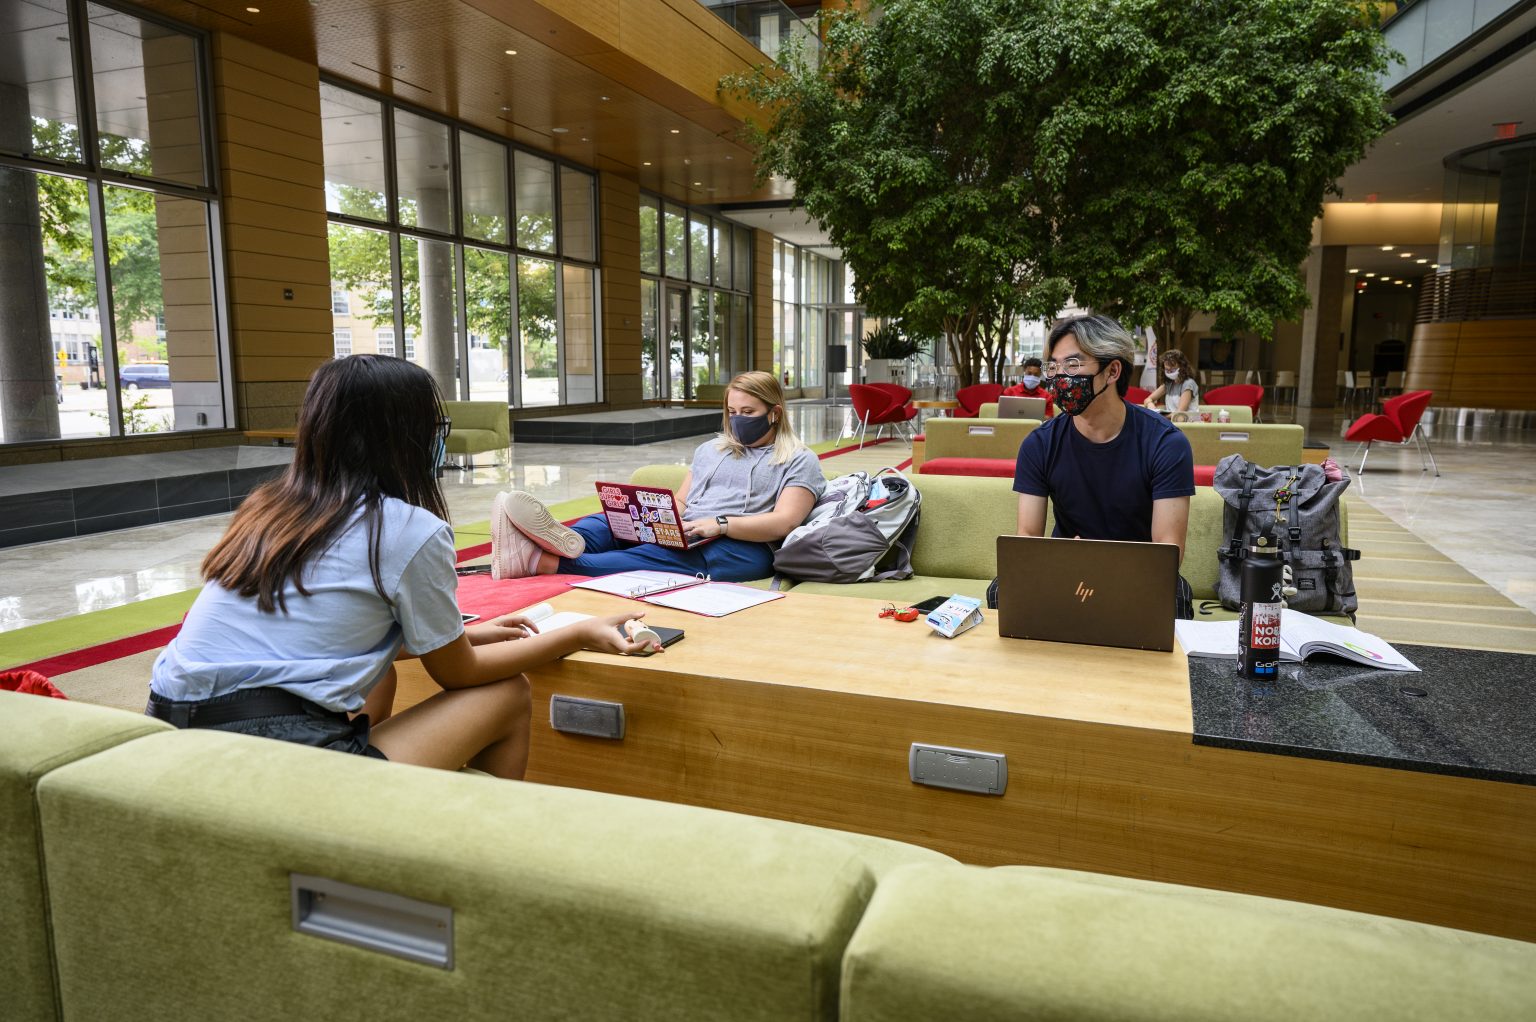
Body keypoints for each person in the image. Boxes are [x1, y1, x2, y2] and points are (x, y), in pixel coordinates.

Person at [146, 355, 652, 779]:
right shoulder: (407, 528)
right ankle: (481, 851)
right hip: (275, 747)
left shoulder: (270, 506)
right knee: (504, 692)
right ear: (403, 436)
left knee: (380, 674)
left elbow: (321, 636)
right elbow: (461, 676)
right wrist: (578, 633)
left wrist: (468, 633)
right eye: (435, 427)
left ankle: (379, 802)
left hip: (170, 726)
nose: (438, 439)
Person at [492, 371, 825, 582]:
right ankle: (555, 540)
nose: (738, 421)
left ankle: (544, 561)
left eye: (748, 413)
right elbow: (683, 499)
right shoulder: (712, 450)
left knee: (656, 557)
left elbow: (785, 522)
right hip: (691, 530)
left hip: (741, 546)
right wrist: (663, 515)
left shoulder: (799, 459)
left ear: (775, 413)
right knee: (607, 522)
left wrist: (720, 524)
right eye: (733, 412)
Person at [1011, 315, 1196, 615]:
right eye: (1054, 367)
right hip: (1065, 569)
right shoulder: (1040, 444)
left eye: (1073, 365)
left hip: (1139, 573)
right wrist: (1064, 564)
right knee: (1002, 589)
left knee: (1175, 596)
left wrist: (1103, 564)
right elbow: (1027, 539)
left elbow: (1168, 552)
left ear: (1112, 371)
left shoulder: (1166, 444)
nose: (1060, 378)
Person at [1143, 349, 1200, 417]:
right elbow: (1147, 399)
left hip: (1186, 423)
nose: (1170, 373)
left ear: (1182, 367)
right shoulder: (1169, 384)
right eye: (1167, 370)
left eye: (1172, 370)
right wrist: (1150, 404)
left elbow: (1179, 413)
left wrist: (1159, 416)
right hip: (1172, 421)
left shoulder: (1188, 384)